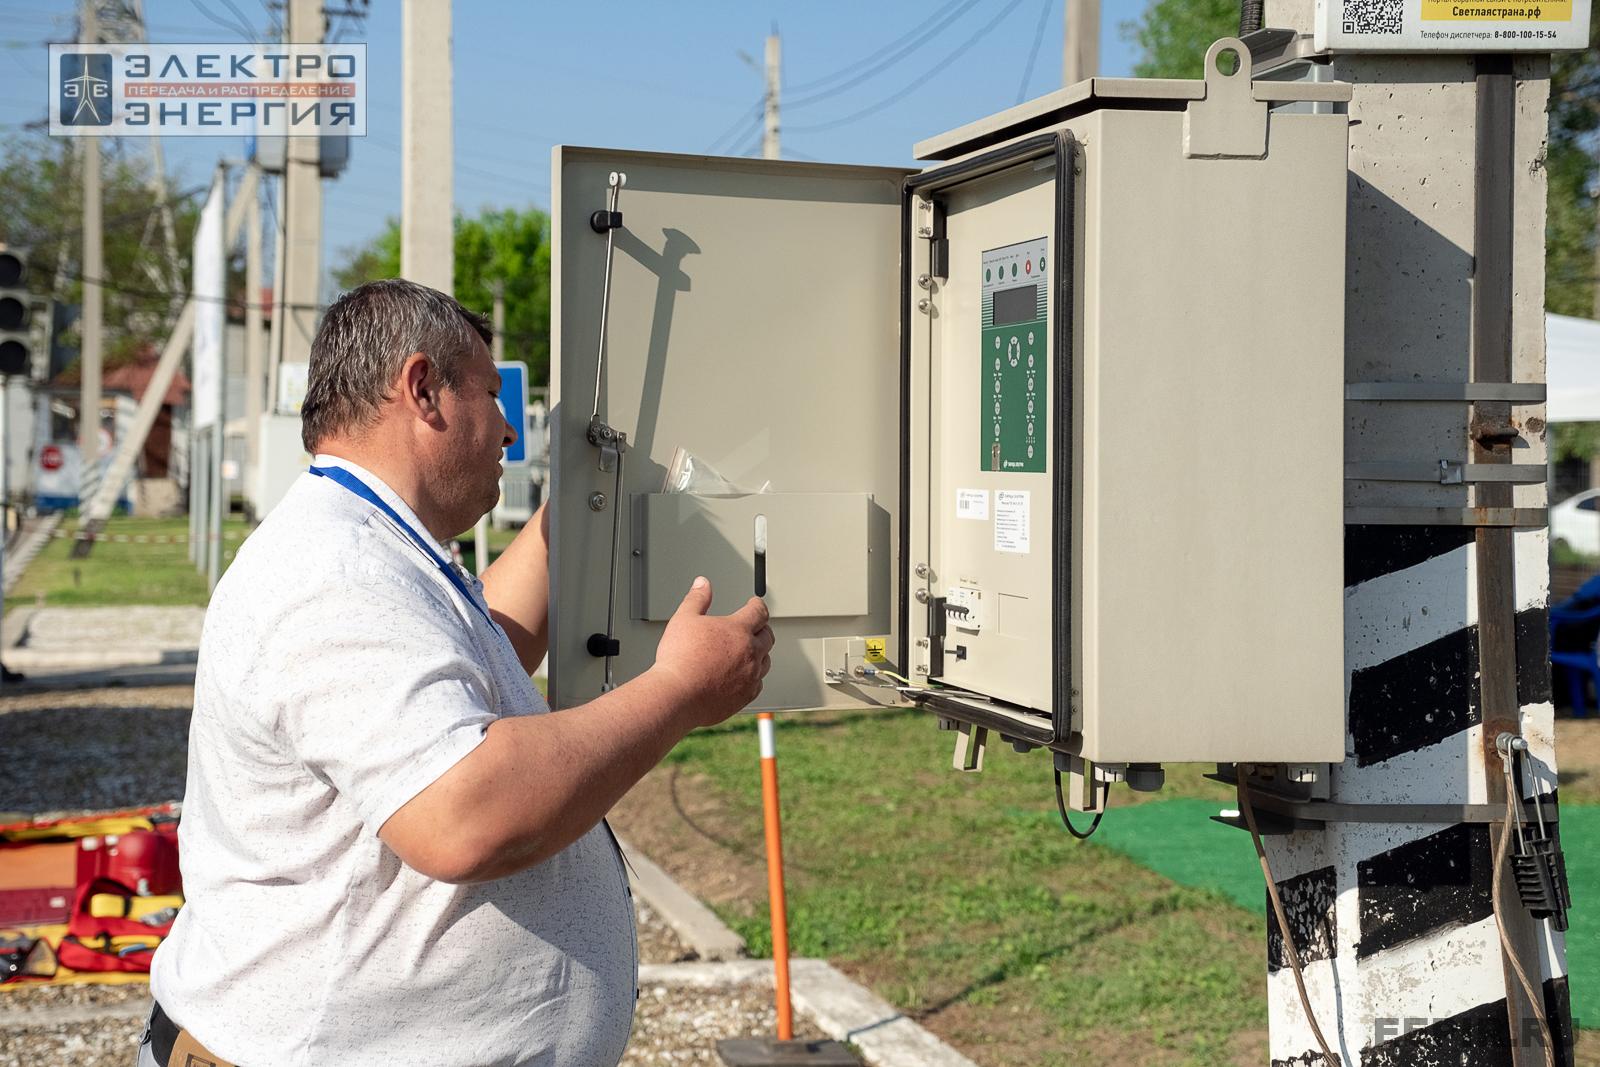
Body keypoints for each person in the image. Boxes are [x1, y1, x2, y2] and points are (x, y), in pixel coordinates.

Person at [142, 279, 774, 1067]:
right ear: (421, 389)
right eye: (489, 393)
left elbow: (482, 655)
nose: (510, 427)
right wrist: (679, 689)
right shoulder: (335, 572)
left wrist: (566, 522)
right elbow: (464, 816)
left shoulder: (370, 543)